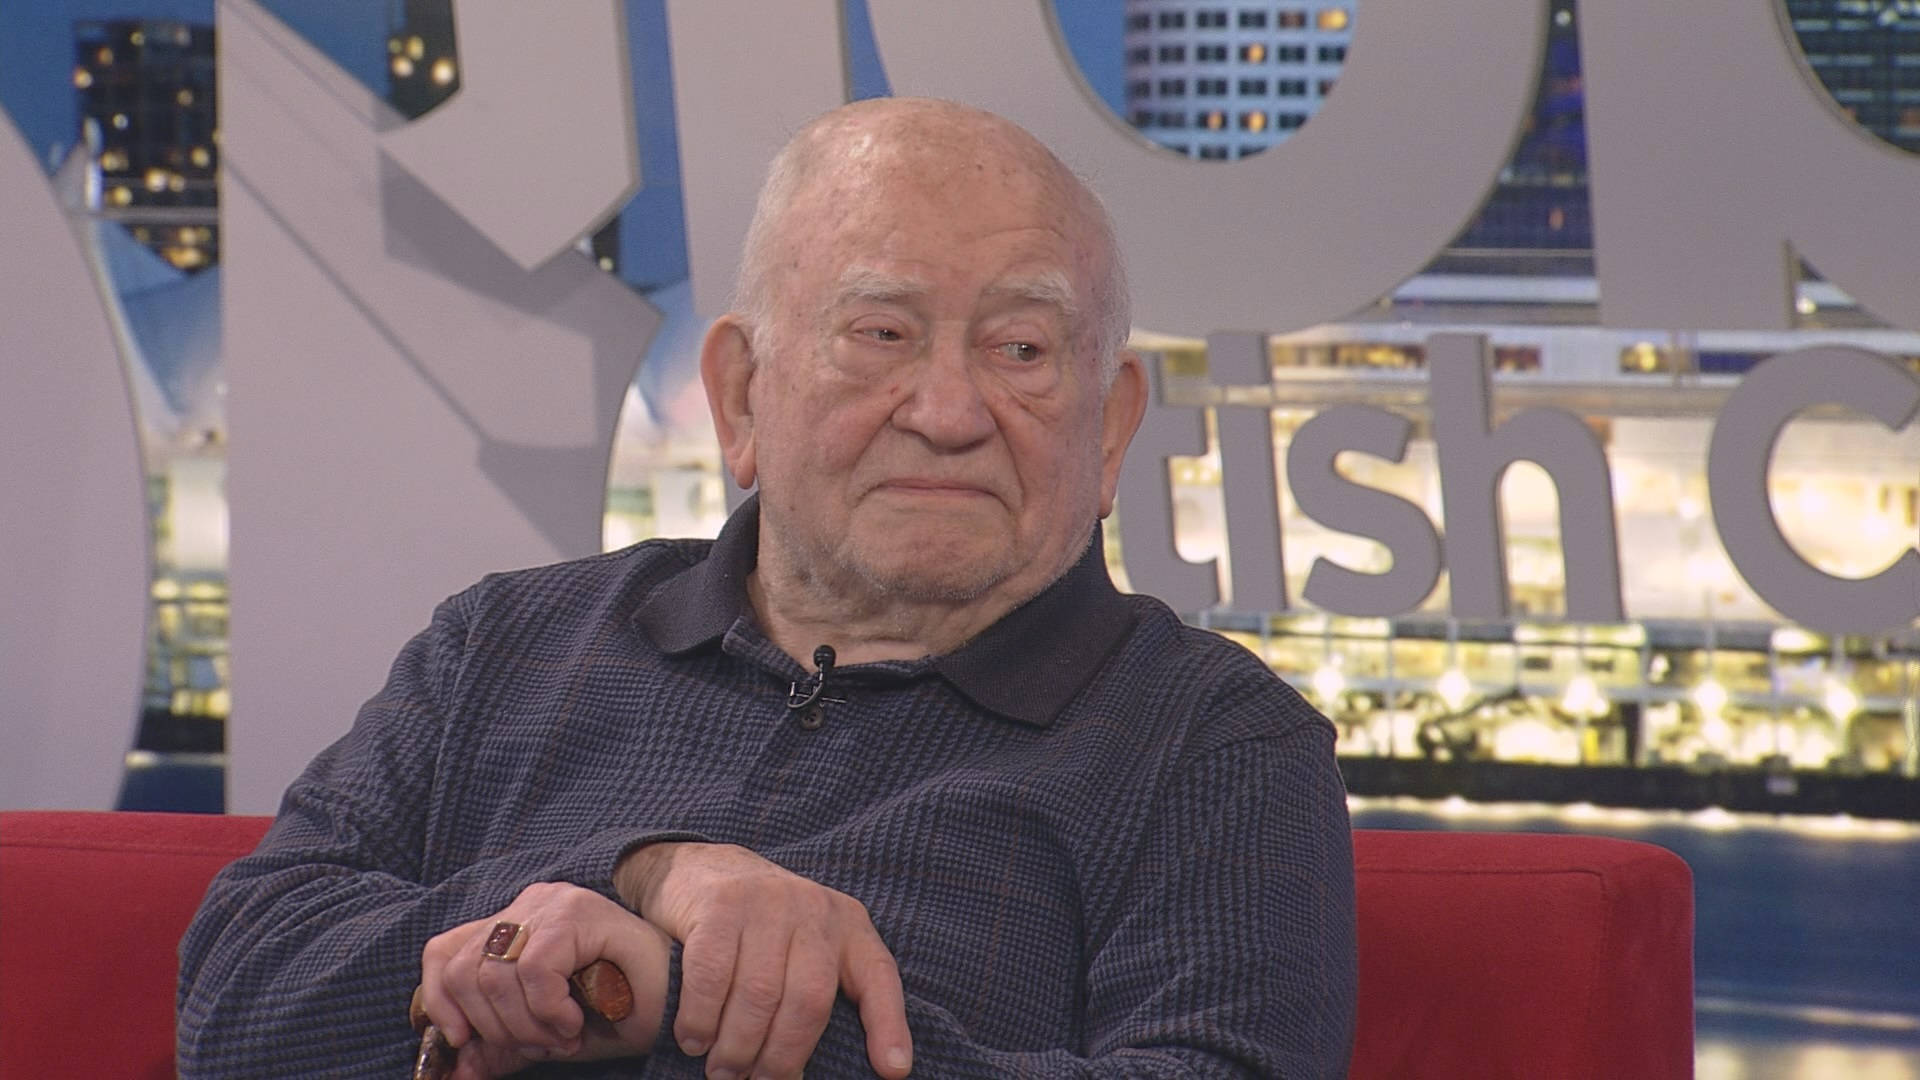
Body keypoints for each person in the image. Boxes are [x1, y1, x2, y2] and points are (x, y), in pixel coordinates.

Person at [177, 97, 1356, 1079]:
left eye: (1022, 350)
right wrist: (636, 878)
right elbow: (233, 1008)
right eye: (881, 334)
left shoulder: (1214, 740)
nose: (948, 414)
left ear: (1110, 430)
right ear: (742, 397)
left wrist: (663, 1000)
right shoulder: (506, 640)